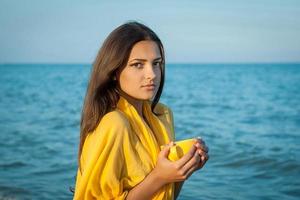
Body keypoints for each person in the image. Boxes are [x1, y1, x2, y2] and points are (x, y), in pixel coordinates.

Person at [73, 21, 209, 200]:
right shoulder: (113, 124)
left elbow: (166, 195)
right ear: (114, 71)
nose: (152, 74)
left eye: (156, 63)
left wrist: (182, 170)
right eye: (138, 64)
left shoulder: (162, 115)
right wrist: (158, 177)